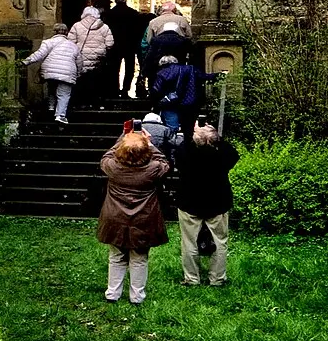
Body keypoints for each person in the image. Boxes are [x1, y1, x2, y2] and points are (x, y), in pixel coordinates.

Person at [96, 122, 169, 305]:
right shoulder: (152, 170)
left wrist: (124, 137)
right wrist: (150, 144)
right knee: (139, 258)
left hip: (115, 217)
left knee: (116, 256)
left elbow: (107, 155)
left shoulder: (112, 167)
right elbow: (164, 162)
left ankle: (112, 294)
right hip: (143, 218)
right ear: (146, 152)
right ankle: (137, 297)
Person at [171, 112, 238, 287]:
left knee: (189, 242)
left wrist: (195, 133)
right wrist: (215, 137)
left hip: (189, 201)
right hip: (217, 202)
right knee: (220, 241)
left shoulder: (186, 152)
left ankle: (192, 278)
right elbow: (233, 154)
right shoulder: (221, 155)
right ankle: (217, 278)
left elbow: (180, 153)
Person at [24, 23, 81, 127]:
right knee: (63, 94)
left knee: (52, 88)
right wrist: (79, 73)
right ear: (66, 33)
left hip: (50, 70)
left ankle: (51, 108)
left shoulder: (48, 42)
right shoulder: (74, 46)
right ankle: (60, 115)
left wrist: (26, 61)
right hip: (67, 72)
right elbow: (79, 63)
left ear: (54, 32)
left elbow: (39, 54)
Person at [149, 50, 203, 138]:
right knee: (188, 127)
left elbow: (156, 90)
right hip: (188, 103)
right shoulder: (189, 69)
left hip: (169, 103)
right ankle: (186, 144)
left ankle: (173, 144)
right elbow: (203, 76)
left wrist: (155, 104)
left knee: (172, 128)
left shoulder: (162, 73)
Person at [68, 0, 113, 104]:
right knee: (95, 80)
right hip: (98, 59)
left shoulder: (76, 26)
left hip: (81, 56)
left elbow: (71, 42)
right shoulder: (104, 27)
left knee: (81, 80)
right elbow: (110, 44)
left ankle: (81, 101)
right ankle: (94, 101)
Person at [107, 0, 148, 102]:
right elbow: (138, 30)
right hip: (130, 45)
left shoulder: (110, 14)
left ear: (116, 0)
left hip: (115, 46)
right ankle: (125, 91)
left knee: (115, 69)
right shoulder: (133, 13)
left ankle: (114, 91)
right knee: (129, 69)